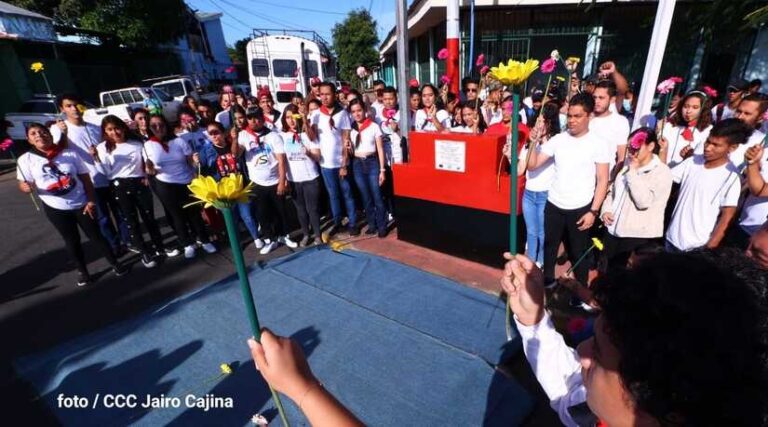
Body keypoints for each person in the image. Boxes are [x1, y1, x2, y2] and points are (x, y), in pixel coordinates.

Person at [501, 249, 767, 427]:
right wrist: (533, 320)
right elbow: (569, 393)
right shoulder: (598, 406)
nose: (580, 350)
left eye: (599, 353)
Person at [17, 123, 127, 286]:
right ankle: (83, 272)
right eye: (33, 133)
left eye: (42, 132)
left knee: (96, 235)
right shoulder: (25, 159)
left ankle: (115, 263)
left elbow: (86, 180)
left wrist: (91, 200)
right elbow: (23, 183)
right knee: (71, 240)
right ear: (29, 140)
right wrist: (25, 187)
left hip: (82, 203)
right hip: (55, 208)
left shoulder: (69, 153)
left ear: (50, 134)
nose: (39, 135)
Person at [527, 93, 610, 287]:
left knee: (577, 252)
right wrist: (533, 142)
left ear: (589, 116)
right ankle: (548, 282)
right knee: (550, 247)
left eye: (577, 116)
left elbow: (602, 180)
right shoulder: (558, 140)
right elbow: (532, 165)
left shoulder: (599, 143)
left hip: (581, 208)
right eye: (570, 115)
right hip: (554, 204)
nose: (571, 120)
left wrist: (593, 211)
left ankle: (580, 291)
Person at [51, 93, 127, 256]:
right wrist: (63, 134)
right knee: (102, 217)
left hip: (109, 176)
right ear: (62, 109)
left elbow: (109, 148)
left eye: (76, 104)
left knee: (121, 212)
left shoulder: (95, 127)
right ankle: (114, 245)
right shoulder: (59, 129)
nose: (74, 109)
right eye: (69, 106)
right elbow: (58, 152)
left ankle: (127, 241)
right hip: (88, 181)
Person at [665, 119, 750, 251]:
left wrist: (709, 248)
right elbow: (665, 178)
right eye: (708, 142)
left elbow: (727, 217)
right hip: (671, 239)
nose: (708, 147)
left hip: (696, 247)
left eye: (716, 145)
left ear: (732, 148)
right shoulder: (692, 161)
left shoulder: (731, 177)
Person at [92, 115, 164, 268]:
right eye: (110, 130)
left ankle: (160, 247)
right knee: (131, 221)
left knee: (149, 217)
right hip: (118, 185)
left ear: (123, 128)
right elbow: (105, 172)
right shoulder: (102, 148)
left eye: (117, 128)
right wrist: (96, 159)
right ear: (105, 132)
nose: (115, 132)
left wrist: (147, 175)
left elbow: (146, 163)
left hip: (140, 182)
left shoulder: (137, 143)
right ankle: (144, 252)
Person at [144, 114, 216, 258]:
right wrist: (149, 169)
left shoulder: (178, 141)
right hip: (165, 183)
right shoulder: (148, 145)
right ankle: (187, 244)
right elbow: (151, 171)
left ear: (166, 125)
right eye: (154, 126)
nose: (158, 128)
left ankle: (204, 240)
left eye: (161, 124)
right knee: (177, 216)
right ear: (149, 128)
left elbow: (191, 162)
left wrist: (195, 161)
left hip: (185, 180)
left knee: (194, 213)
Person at [600, 128, 672, 269]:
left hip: (636, 236)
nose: (631, 152)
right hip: (613, 230)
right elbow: (613, 191)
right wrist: (606, 210)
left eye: (636, 148)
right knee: (607, 271)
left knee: (626, 276)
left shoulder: (662, 172)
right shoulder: (629, 163)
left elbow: (643, 202)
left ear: (651, 146)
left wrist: (632, 172)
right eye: (629, 148)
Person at [235, 107, 298, 254]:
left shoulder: (273, 136)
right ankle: (270, 239)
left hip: (275, 180)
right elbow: (236, 154)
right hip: (256, 182)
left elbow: (281, 160)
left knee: (280, 211)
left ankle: (284, 235)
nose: (254, 121)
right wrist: (233, 139)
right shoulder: (243, 135)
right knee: (262, 213)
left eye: (257, 117)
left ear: (262, 119)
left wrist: (282, 181)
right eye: (250, 118)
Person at [198, 121, 262, 248]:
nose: (214, 136)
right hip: (223, 192)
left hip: (240, 187)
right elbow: (203, 171)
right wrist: (197, 163)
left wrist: (234, 139)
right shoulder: (206, 151)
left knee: (247, 216)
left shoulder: (233, 145)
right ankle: (236, 243)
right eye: (210, 133)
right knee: (231, 220)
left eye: (216, 132)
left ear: (223, 133)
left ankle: (257, 238)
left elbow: (238, 155)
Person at [310, 82, 358, 236]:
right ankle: (338, 222)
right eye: (321, 94)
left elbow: (346, 139)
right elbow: (312, 137)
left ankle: (353, 223)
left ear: (334, 94)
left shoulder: (342, 113)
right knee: (333, 195)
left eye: (327, 94)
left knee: (347, 194)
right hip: (325, 164)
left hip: (341, 163)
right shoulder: (316, 114)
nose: (324, 97)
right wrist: (305, 121)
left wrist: (344, 164)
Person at [517, 102, 559, 267]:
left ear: (550, 124)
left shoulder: (553, 143)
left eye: (543, 122)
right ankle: (531, 261)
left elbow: (534, 165)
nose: (539, 125)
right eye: (537, 121)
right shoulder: (529, 144)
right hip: (529, 193)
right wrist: (509, 156)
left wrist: (535, 142)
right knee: (531, 231)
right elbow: (521, 170)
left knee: (542, 232)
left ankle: (541, 262)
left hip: (545, 194)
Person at [280, 104, 323, 246]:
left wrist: (308, 153)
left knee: (312, 209)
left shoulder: (307, 134)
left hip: (310, 178)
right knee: (301, 210)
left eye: (293, 117)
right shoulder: (282, 136)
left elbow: (317, 157)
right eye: (287, 117)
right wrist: (284, 179)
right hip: (294, 179)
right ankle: (306, 234)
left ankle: (317, 235)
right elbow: (282, 160)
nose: (291, 120)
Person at [348, 99, 388, 238]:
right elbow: (351, 150)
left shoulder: (373, 126)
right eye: (353, 111)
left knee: (377, 196)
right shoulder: (351, 128)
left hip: (372, 163)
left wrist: (382, 170)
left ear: (365, 110)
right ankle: (372, 225)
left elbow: (380, 149)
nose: (357, 114)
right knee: (365, 197)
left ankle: (382, 226)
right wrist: (349, 148)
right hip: (357, 164)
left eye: (359, 110)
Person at [737, 95, 768, 240]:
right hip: (742, 223)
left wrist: (752, 165)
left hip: (760, 234)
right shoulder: (764, 148)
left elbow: (759, 190)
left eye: (747, 113)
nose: (740, 116)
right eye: (739, 111)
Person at [660, 90, 713, 167]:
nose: (688, 111)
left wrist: (689, 156)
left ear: (703, 109)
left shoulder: (708, 131)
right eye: (686, 106)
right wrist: (658, 132)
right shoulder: (670, 125)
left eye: (695, 107)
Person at [589, 80, 630, 172]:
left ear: (612, 99)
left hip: (604, 175)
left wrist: (613, 178)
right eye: (594, 97)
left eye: (601, 98)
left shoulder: (620, 122)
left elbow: (621, 157)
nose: (596, 101)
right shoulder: (584, 117)